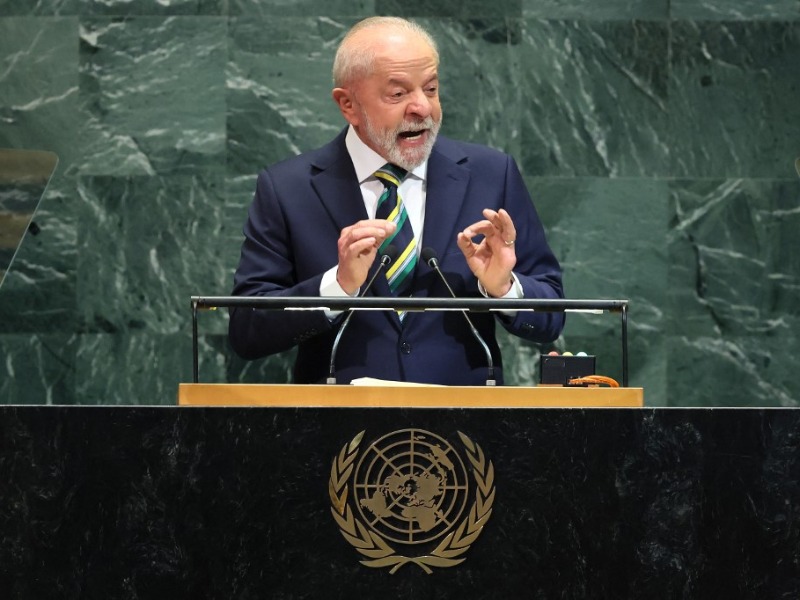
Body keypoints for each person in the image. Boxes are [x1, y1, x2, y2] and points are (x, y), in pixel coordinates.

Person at [228, 16, 565, 385]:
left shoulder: (491, 174)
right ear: (348, 105)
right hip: (336, 431)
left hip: (467, 429)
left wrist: (503, 288)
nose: (422, 108)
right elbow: (247, 329)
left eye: (432, 89)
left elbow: (551, 315)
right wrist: (338, 286)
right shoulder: (287, 188)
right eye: (398, 93)